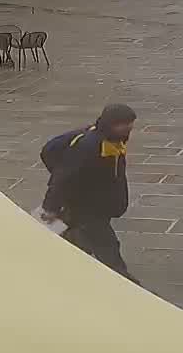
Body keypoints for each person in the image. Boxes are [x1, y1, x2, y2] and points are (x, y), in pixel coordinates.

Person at [40, 104, 139, 283]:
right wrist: (50, 207)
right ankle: (123, 283)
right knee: (107, 245)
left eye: (130, 124)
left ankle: (65, 269)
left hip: (98, 202)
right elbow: (63, 177)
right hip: (86, 204)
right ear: (111, 124)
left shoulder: (115, 138)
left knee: (81, 240)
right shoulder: (88, 145)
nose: (128, 128)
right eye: (124, 125)